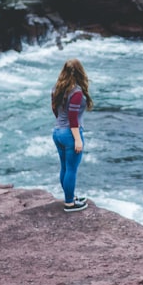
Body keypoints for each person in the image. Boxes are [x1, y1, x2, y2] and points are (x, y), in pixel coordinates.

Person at [51, 58, 94, 212]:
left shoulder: (56, 88)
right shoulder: (76, 93)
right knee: (71, 169)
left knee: (65, 167)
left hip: (57, 132)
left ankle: (70, 196)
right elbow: (72, 117)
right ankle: (69, 203)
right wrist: (77, 139)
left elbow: (55, 109)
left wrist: (61, 125)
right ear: (80, 72)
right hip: (70, 134)